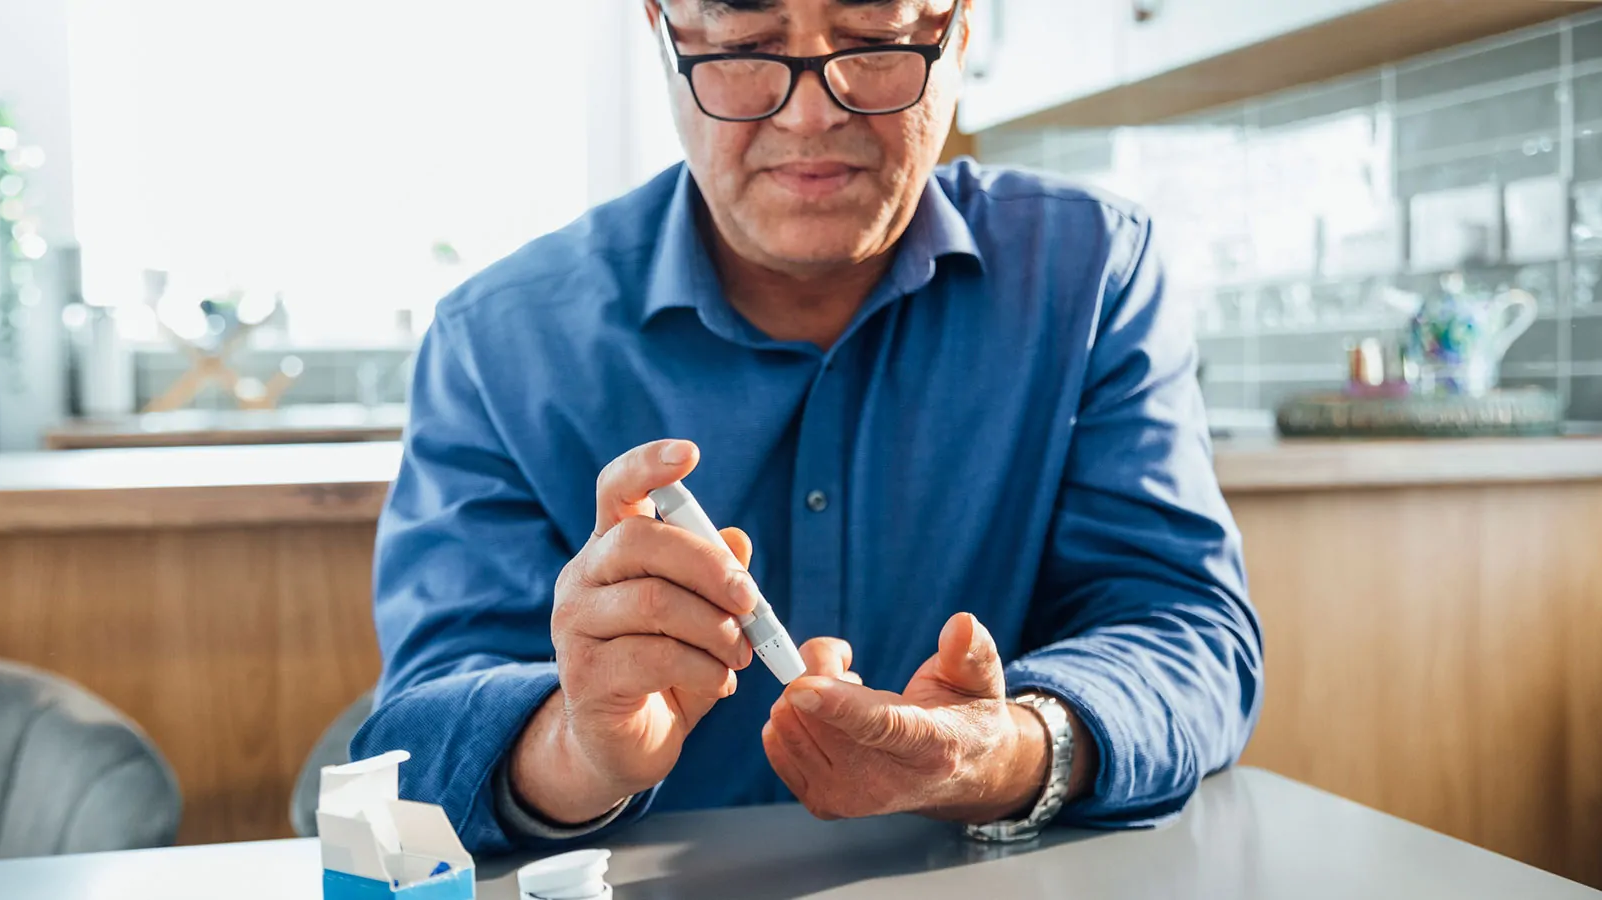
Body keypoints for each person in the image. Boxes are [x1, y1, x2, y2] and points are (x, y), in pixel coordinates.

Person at [351, 0, 1262, 855]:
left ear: (960, 30)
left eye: (873, 38)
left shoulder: (1091, 275)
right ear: (664, 34)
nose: (812, 113)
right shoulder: (498, 340)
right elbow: (416, 742)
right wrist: (579, 748)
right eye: (746, 50)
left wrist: (1006, 750)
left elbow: (1186, 632)